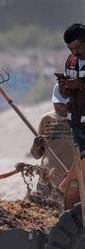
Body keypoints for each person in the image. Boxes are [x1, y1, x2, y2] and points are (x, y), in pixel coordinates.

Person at [30, 84, 73, 198]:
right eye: (57, 104)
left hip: (74, 183)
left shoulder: (80, 121)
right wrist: (36, 146)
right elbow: (36, 155)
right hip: (48, 181)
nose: (61, 108)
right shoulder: (46, 120)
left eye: (65, 105)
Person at [58, 23, 85, 151]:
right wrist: (63, 87)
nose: (75, 52)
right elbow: (64, 95)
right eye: (71, 49)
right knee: (80, 166)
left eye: (78, 47)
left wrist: (81, 84)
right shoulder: (70, 60)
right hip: (76, 125)